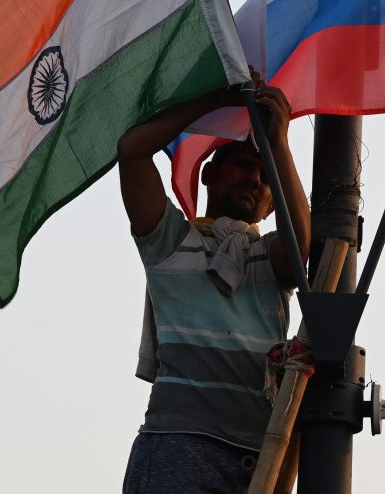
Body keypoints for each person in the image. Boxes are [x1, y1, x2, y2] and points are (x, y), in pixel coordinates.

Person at [116, 74, 310, 493]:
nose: (253, 178)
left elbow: (302, 250)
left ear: (272, 201)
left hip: (260, 456)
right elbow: (132, 151)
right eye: (241, 163)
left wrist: (279, 140)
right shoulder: (170, 240)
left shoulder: (272, 257)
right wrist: (211, 99)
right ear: (208, 174)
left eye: (263, 175)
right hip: (179, 446)